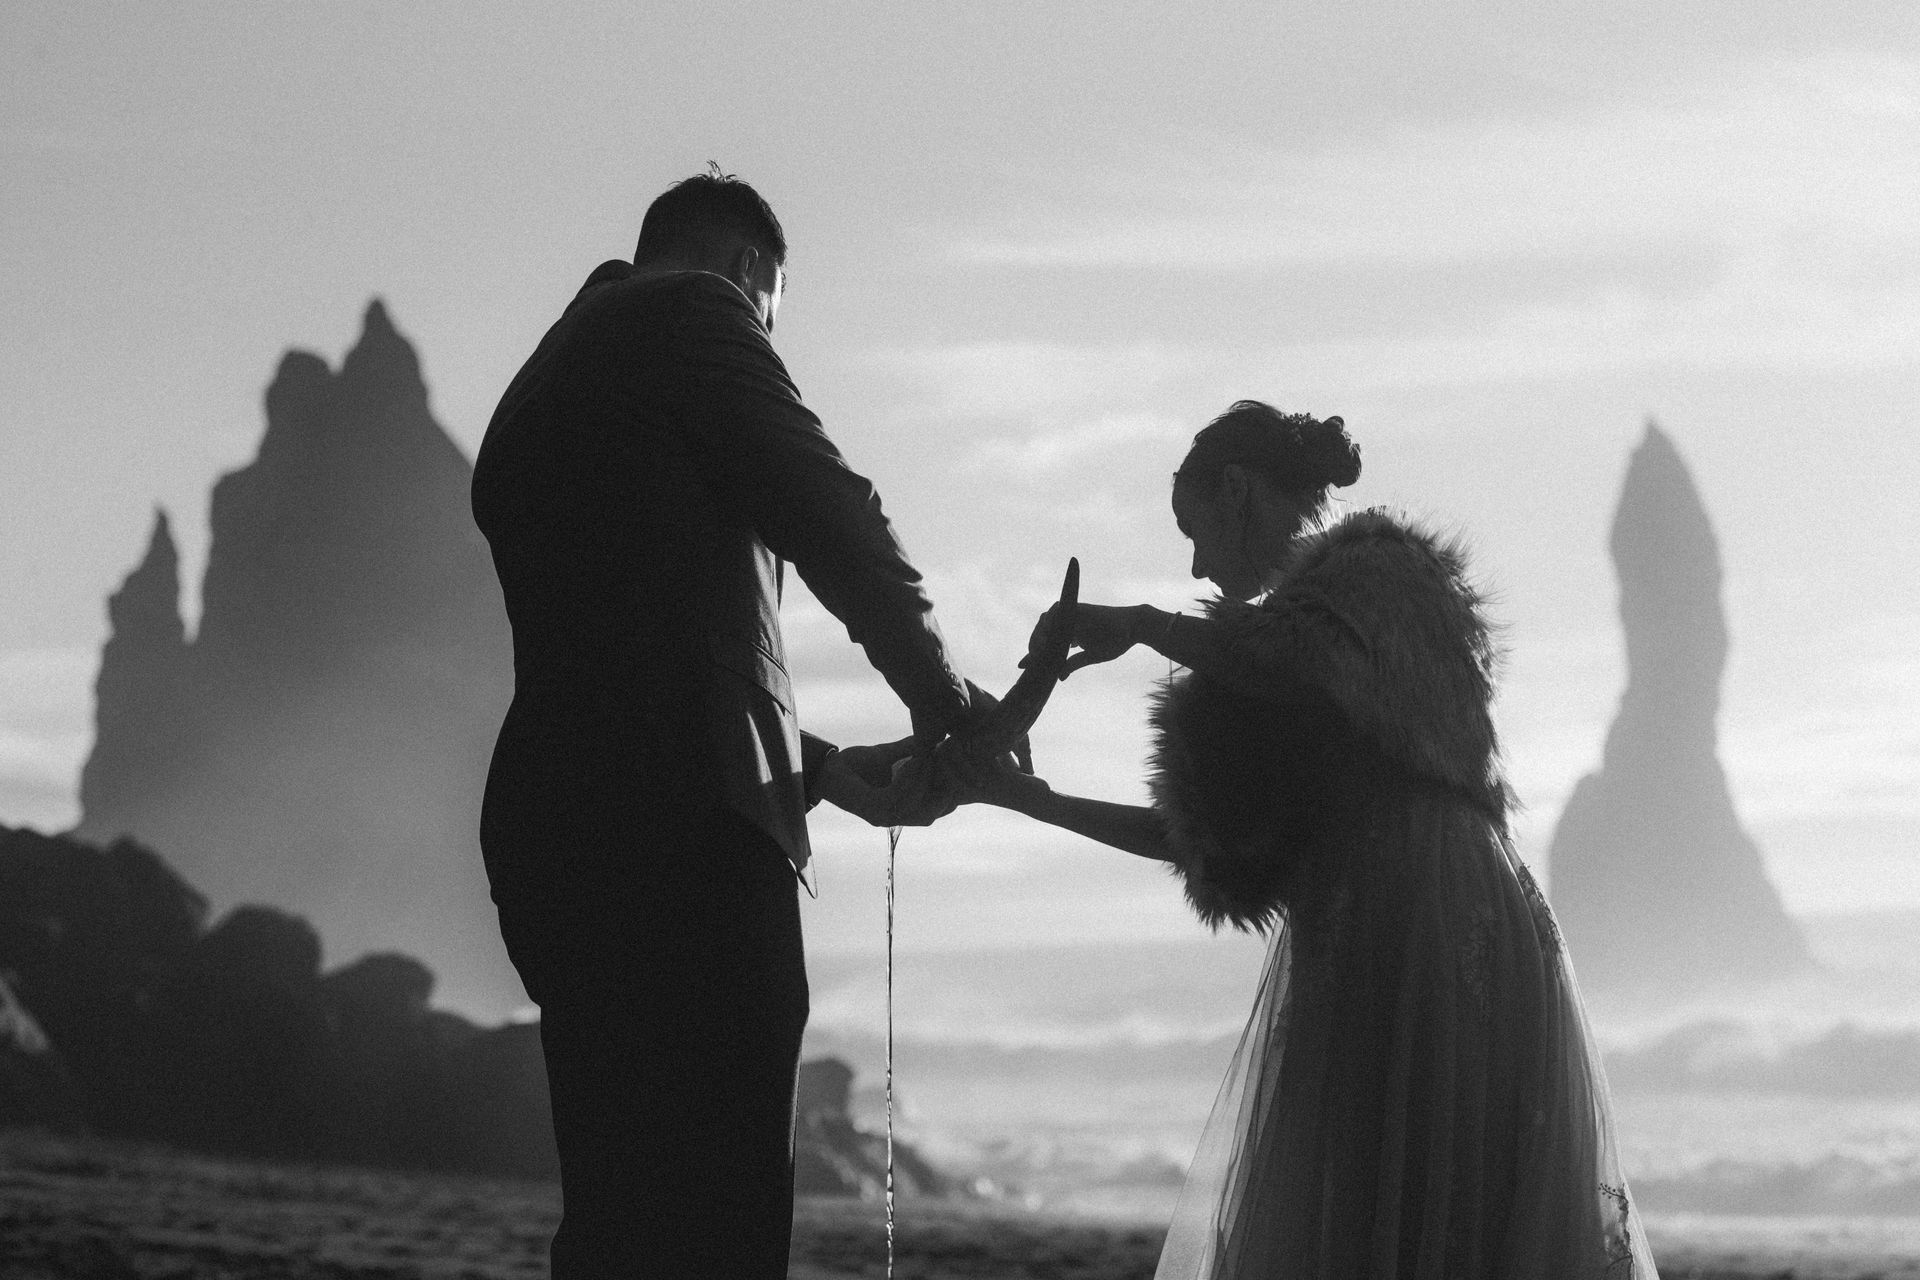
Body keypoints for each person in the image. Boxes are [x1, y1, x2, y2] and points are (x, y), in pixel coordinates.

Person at [939, 402, 1660, 1278]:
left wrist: (1141, 625)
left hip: (1436, 914)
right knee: (1357, 1212)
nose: (1197, 563)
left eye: (1193, 530)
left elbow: (1313, 665)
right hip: (1356, 933)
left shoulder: (1384, 574)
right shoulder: (1257, 656)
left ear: (1236, 492)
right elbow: (1200, 841)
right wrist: (1028, 800)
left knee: (1440, 1196)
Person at [472, 168, 978, 1278]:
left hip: (552, 827)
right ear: (750, 270)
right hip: (686, 841)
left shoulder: (535, 390)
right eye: (773, 312)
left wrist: (825, 769)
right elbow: (830, 508)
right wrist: (941, 696)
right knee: (722, 1209)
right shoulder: (697, 311)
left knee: (616, 1207)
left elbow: (627, 653)